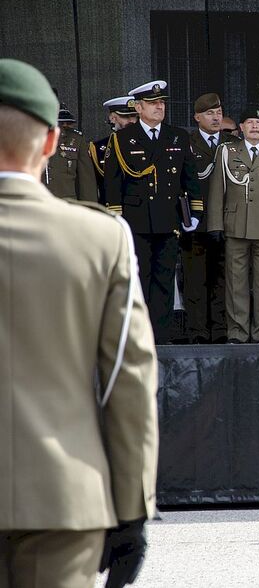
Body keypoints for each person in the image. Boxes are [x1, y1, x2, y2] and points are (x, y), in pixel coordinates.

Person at [0, 58, 158, 588]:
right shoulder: (101, 239)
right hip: (63, 500)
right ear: (49, 143)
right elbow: (126, 379)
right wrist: (132, 509)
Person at [104, 79, 201, 344]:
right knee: (140, 278)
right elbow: (113, 184)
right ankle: (138, 334)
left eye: (162, 103)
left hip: (168, 219)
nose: (160, 108)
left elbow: (189, 177)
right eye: (153, 103)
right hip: (136, 220)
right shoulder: (123, 139)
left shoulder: (178, 136)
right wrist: (116, 219)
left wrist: (194, 212)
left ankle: (160, 334)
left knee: (164, 278)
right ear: (138, 107)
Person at [207, 108, 259, 343]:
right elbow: (217, 191)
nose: (255, 126)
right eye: (250, 122)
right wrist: (215, 224)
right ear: (241, 128)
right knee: (236, 283)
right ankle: (237, 332)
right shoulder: (226, 152)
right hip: (234, 226)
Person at [183, 92, 234, 344]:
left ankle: (220, 329)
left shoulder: (231, 142)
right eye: (209, 113)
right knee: (195, 280)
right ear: (197, 117)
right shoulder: (186, 142)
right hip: (197, 222)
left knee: (222, 279)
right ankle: (198, 331)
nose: (216, 117)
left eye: (218, 112)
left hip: (226, 222)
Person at [90, 95, 139, 204]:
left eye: (134, 116)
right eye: (126, 116)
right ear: (112, 118)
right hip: (110, 207)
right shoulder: (98, 148)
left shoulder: (147, 144)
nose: (132, 120)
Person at [44, 103, 96, 201]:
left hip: (67, 204)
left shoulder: (75, 140)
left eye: (65, 123)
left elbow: (86, 180)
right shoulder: (27, 138)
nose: (64, 126)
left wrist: (89, 208)